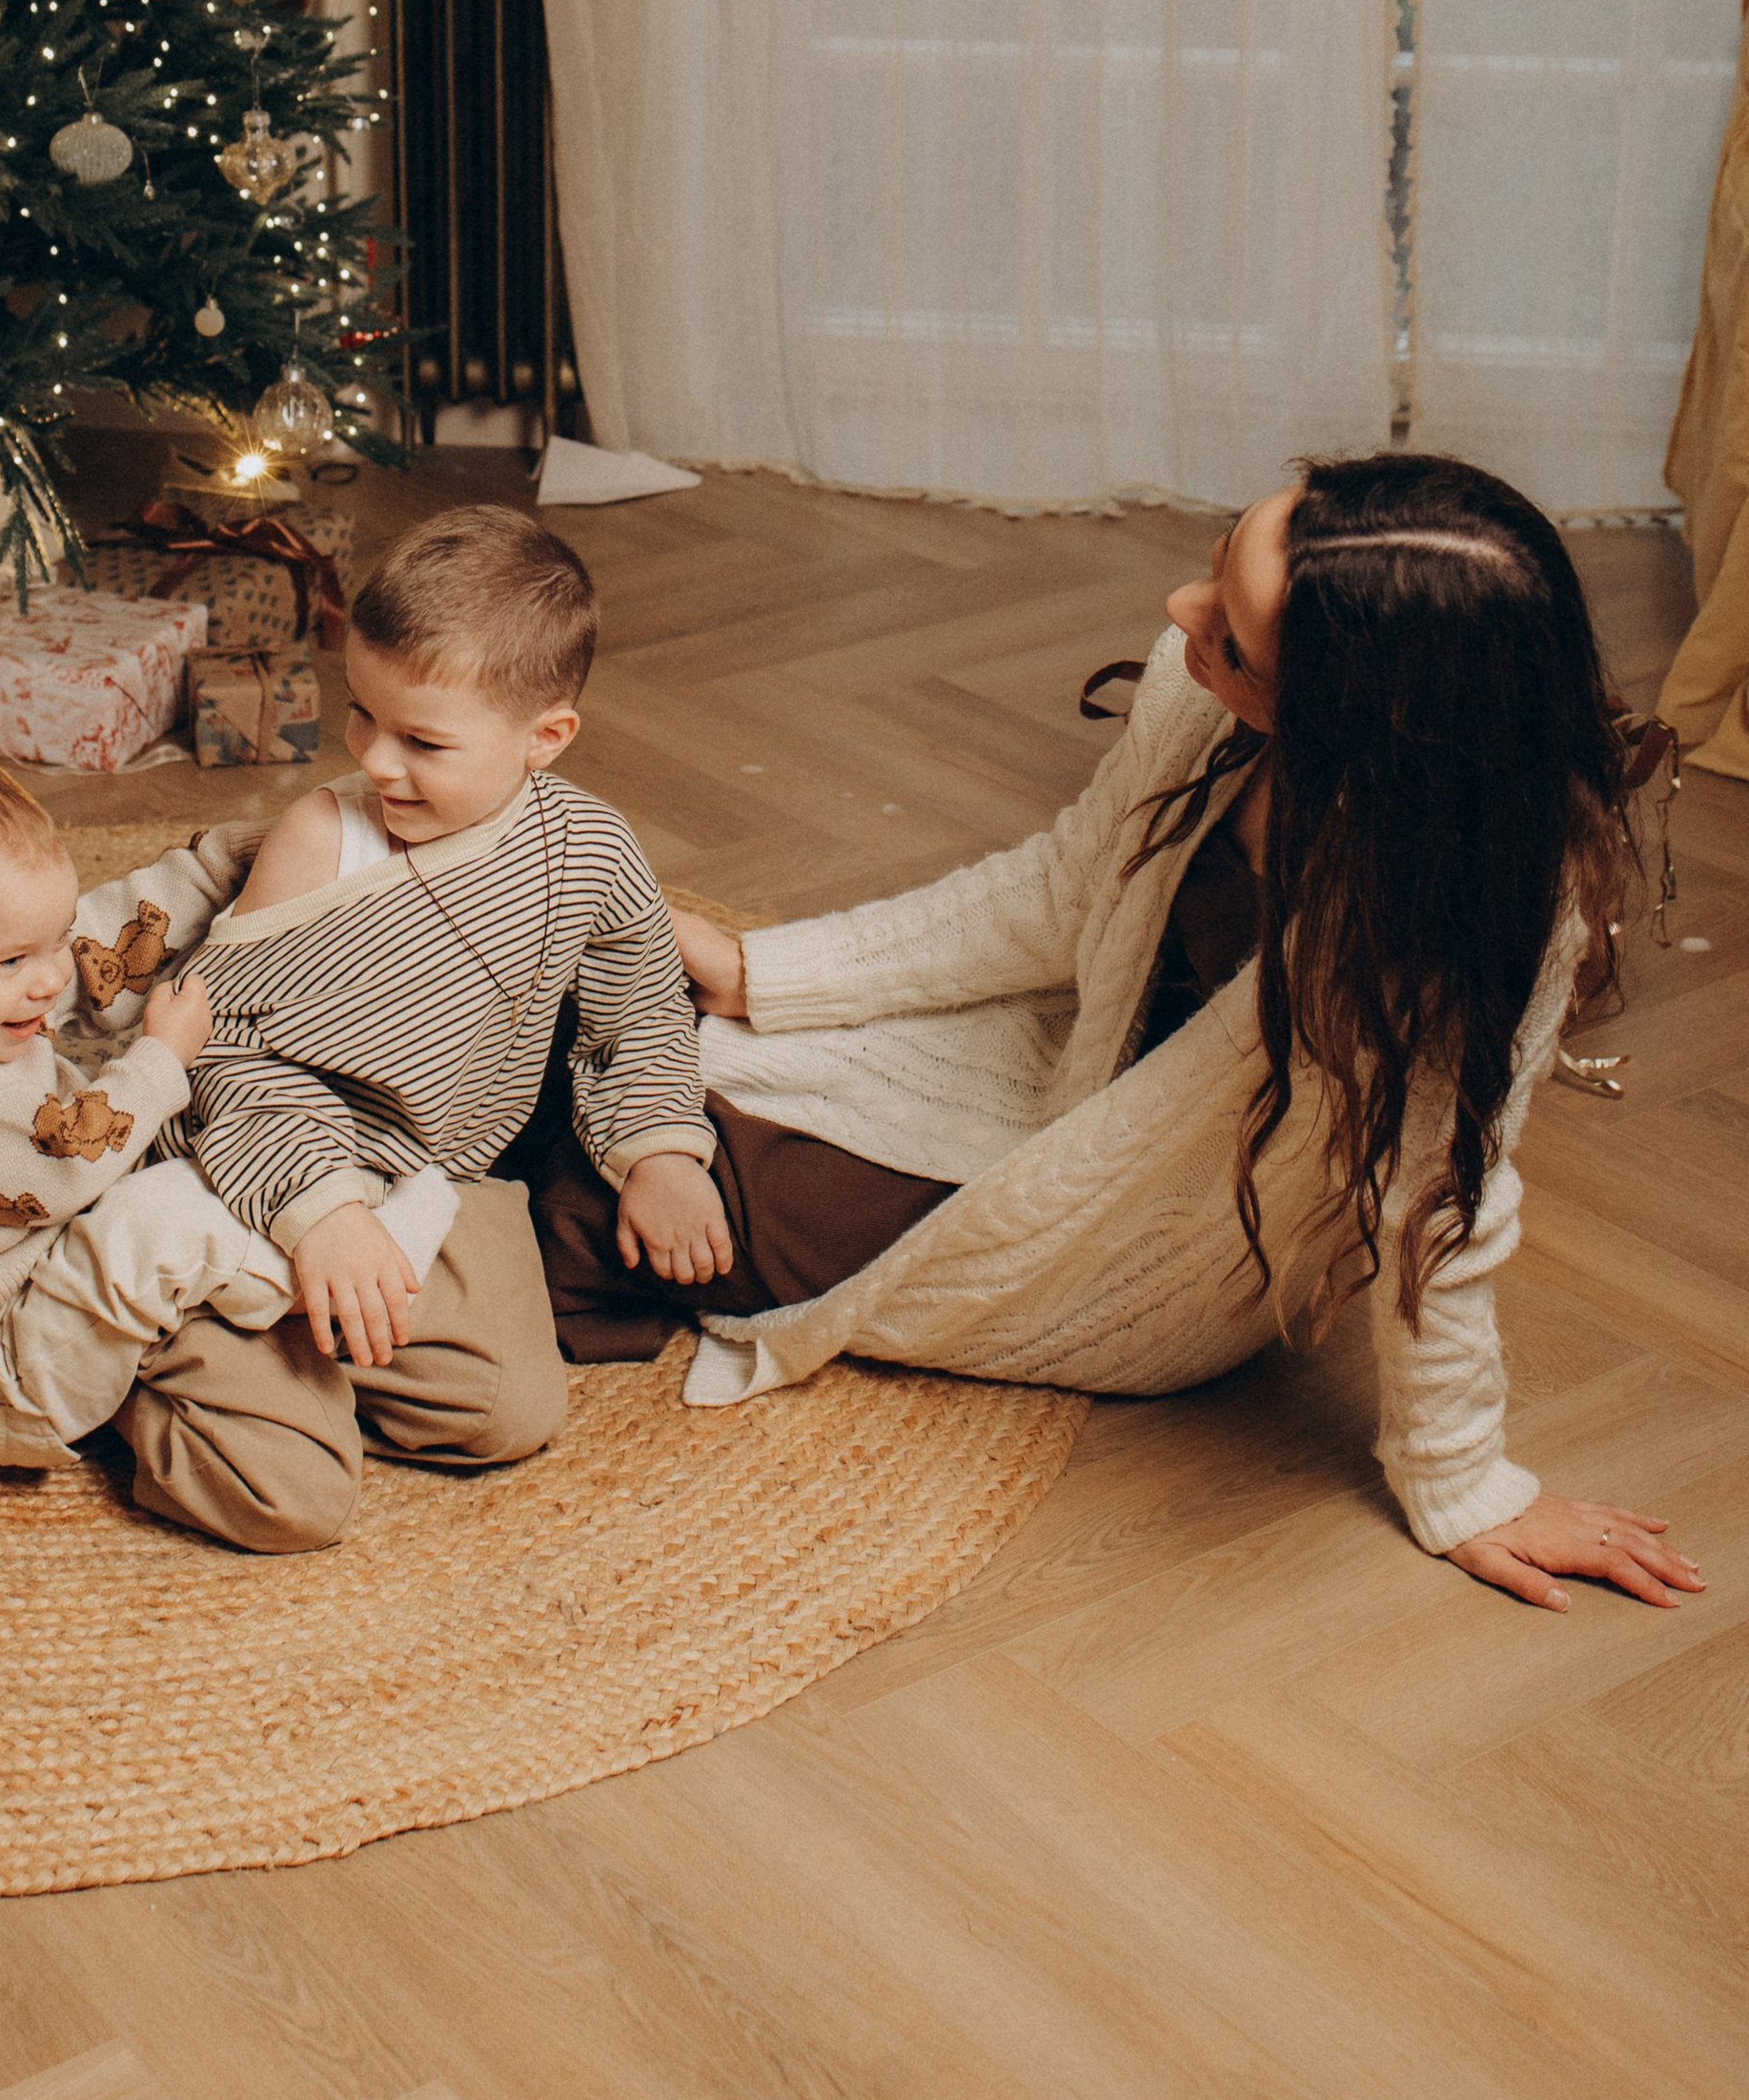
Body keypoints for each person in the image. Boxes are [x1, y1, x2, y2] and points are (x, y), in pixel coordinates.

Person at [534, 453, 1706, 1618]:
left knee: (651, 1190)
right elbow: (1065, 890)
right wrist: (766, 971)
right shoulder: (1200, 699)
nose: (1180, 609)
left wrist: (1462, 1480)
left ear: (1353, 727)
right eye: (1216, 560)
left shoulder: (1461, 913)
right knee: (600, 1004)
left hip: (1161, 1207)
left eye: (1230, 638)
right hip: (1079, 1050)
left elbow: (1437, 1196)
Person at [127, 503, 719, 1553]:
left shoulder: (591, 850)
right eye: (362, 715)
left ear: (545, 738)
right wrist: (320, 1212)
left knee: (508, 1410)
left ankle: (307, 1340)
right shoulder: (324, 837)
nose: (377, 760)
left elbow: (637, 1012)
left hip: (431, 1179)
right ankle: (151, 1341)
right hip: (262, 1162)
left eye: (423, 741)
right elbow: (222, 1043)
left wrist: (661, 1151)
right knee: (284, 1496)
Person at [0, 746, 358, 1466]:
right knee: (163, 1216)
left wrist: (230, 859)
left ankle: (199, 1331)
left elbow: (108, 940)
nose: (51, 975)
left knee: (156, 1176)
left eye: (55, 937)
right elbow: (60, 1164)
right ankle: (330, 1277)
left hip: (35, 1278)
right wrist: (160, 1058)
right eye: (14, 960)